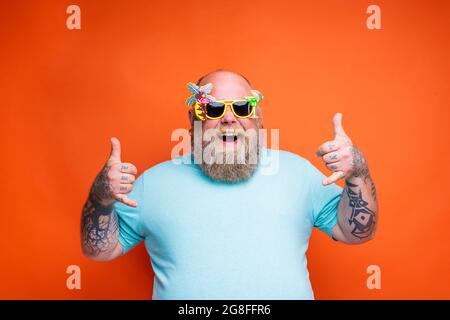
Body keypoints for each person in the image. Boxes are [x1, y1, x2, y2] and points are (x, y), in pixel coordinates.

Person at [80, 70, 379, 299]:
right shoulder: (152, 183)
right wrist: (101, 196)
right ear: (193, 122)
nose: (228, 119)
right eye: (212, 110)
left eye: (241, 108)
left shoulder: (298, 173)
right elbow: (100, 251)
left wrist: (358, 172)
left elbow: (354, 233)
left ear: (258, 119)